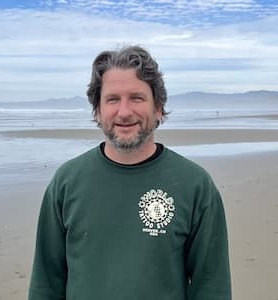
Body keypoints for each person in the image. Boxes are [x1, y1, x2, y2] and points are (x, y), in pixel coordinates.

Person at [28, 45, 231, 300]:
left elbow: (212, 287)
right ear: (98, 111)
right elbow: (46, 284)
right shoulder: (67, 182)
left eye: (137, 98)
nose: (124, 112)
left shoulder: (195, 185)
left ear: (157, 108)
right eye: (113, 99)